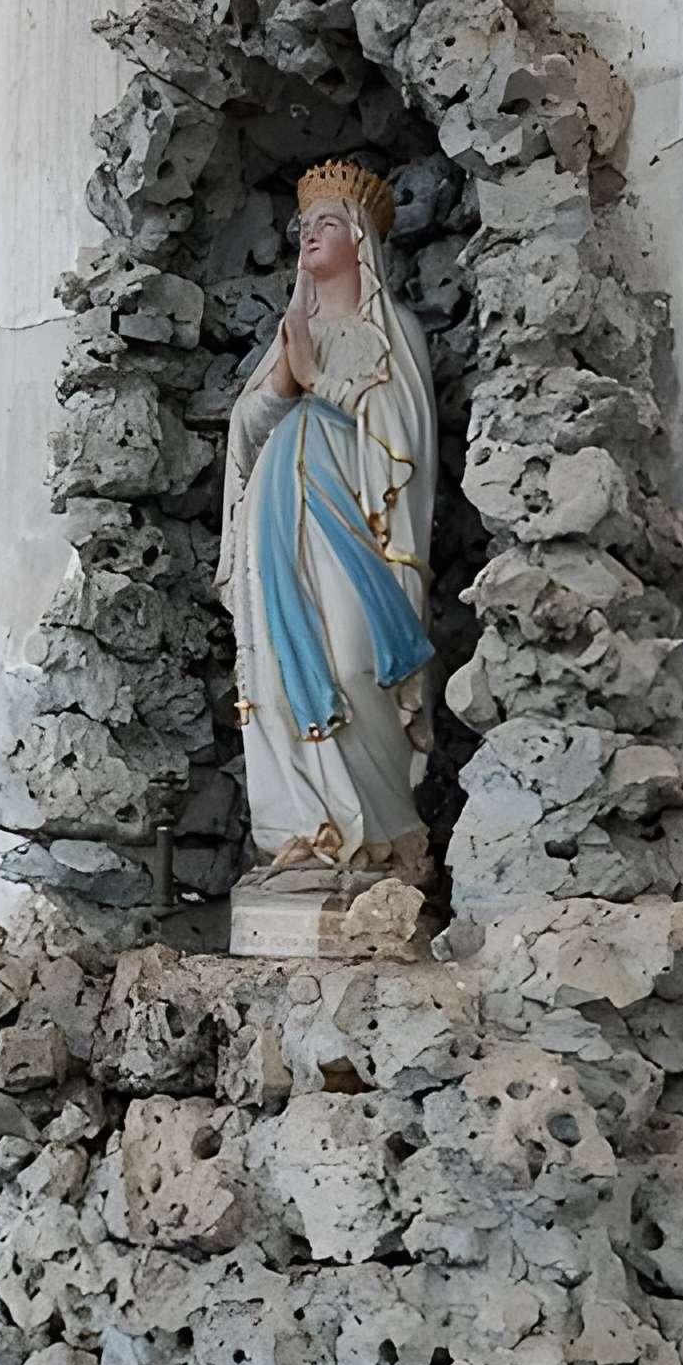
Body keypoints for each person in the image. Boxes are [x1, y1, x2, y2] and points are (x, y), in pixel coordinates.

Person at [217, 159, 438, 885]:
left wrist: (319, 380)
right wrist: (284, 378)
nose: (311, 236)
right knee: (279, 675)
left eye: (329, 224)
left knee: (352, 662)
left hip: (356, 522)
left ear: (363, 241)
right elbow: (247, 434)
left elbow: (398, 431)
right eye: (305, 226)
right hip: (279, 520)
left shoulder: (393, 331)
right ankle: (305, 834)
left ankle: (383, 836)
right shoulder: (292, 332)